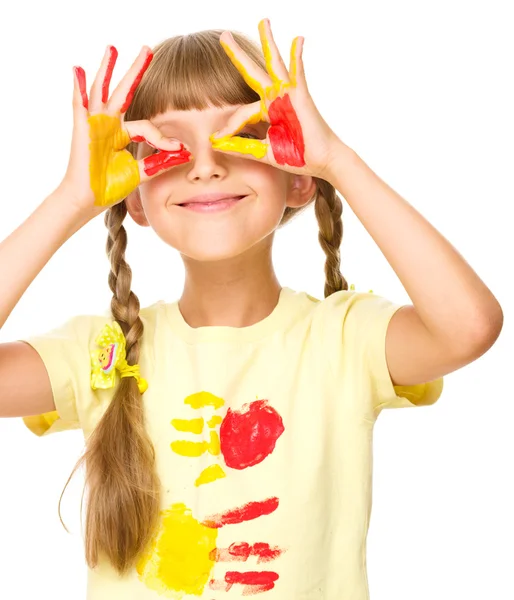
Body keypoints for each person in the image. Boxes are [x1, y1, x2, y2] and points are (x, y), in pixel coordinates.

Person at [0, 18, 503, 600]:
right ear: (132, 196)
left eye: (242, 135)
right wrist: (71, 199)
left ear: (296, 177)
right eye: (170, 146)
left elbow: (470, 326)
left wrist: (336, 159)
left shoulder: (343, 338)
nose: (206, 163)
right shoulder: (100, 354)